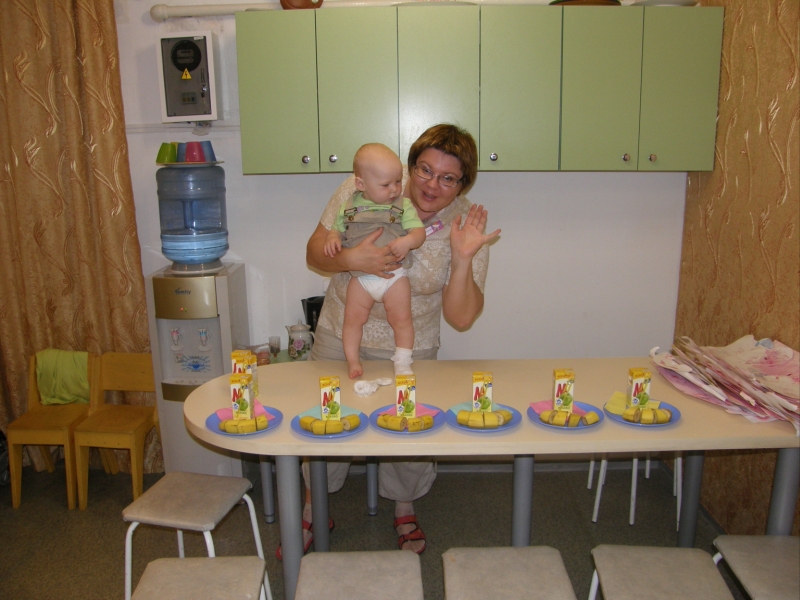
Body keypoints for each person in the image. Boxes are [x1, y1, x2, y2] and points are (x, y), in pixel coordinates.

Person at [303, 124, 500, 555]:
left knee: (410, 432)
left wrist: (462, 258)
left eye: (448, 178)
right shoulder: (363, 186)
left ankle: (404, 506)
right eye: (425, 170)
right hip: (341, 333)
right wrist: (350, 258)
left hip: (410, 347)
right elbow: (314, 252)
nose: (431, 185)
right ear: (411, 166)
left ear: (463, 185)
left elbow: (461, 317)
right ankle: (314, 506)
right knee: (326, 423)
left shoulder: (466, 224)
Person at [324, 143, 426, 379]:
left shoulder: (403, 206)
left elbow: (419, 233)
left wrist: (408, 241)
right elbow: (337, 230)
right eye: (386, 184)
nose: (394, 189)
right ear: (361, 185)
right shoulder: (348, 207)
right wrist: (333, 238)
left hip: (394, 277)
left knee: (402, 320)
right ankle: (352, 361)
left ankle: (402, 361)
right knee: (352, 321)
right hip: (361, 279)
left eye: (398, 182)